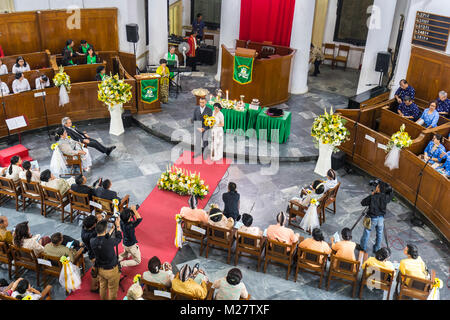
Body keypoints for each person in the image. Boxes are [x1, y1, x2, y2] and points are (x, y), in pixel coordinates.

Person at [90, 218, 122, 300]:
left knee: (103, 287)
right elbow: (119, 238)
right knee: (112, 289)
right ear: (105, 230)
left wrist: (112, 230)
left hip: (100, 269)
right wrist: (117, 226)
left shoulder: (92, 241)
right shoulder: (109, 242)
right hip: (111, 270)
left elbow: (103, 239)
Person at [357, 180, 393, 253]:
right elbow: (391, 193)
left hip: (372, 218)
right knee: (379, 234)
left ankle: (362, 247)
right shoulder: (386, 197)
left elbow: (363, 203)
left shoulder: (373, 197)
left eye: (377, 186)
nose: (376, 186)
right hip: (381, 219)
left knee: (367, 232)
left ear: (379, 188)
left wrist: (373, 195)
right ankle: (376, 249)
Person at [81, 215, 99, 292]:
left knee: (97, 269)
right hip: (94, 254)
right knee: (96, 271)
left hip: (92, 251)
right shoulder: (91, 234)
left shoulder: (84, 227)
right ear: (92, 226)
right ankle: (93, 287)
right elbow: (99, 231)